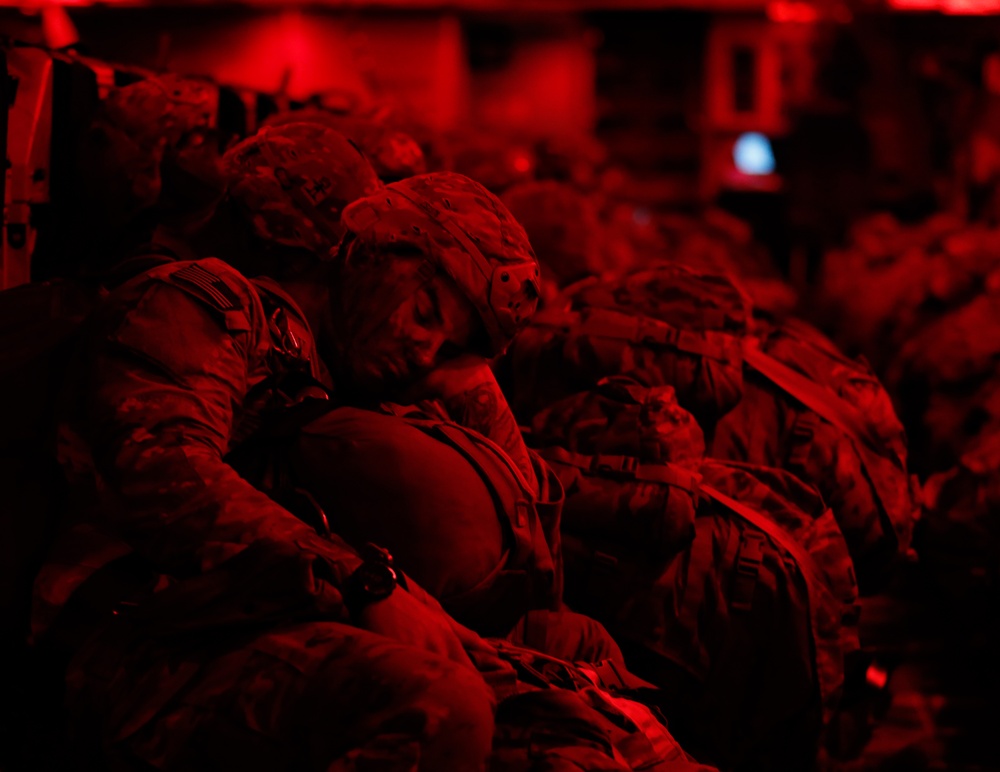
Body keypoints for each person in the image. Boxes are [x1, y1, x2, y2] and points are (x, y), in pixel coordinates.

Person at [31, 125, 542, 771]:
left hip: (256, 614)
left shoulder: (340, 367)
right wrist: (364, 583)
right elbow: (165, 475)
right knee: (438, 704)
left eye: (446, 348)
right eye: (426, 314)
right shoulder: (207, 302)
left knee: (559, 693)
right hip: (133, 633)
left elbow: (514, 487)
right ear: (377, 255)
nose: (424, 352)